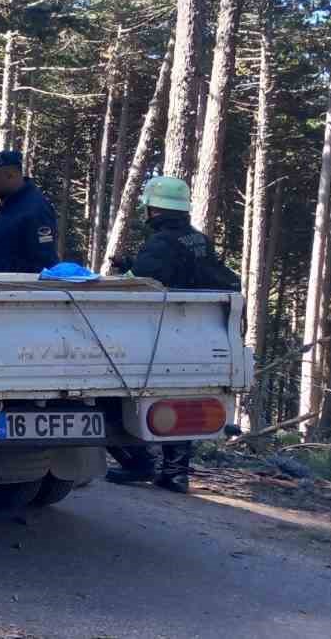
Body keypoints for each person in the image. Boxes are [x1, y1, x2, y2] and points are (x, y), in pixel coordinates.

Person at [105, 175, 241, 494]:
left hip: (162, 331)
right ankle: (176, 473)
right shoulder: (198, 239)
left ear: (153, 209)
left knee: (120, 393)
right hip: (196, 332)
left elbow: (141, 282)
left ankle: (139, 462)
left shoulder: (161, 242)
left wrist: (121, 274)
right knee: (180, 397)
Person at [0, 150, 59, 273]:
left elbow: (44, 261)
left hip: (20, 288)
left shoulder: (35, 208)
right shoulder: (8, 206)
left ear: (10, 175)